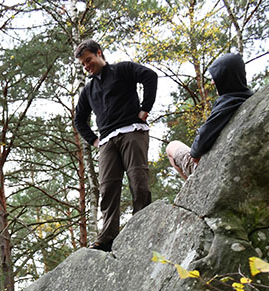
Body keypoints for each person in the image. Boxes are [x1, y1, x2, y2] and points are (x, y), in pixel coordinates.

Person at [74, 39, 158, 252]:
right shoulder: (89, 90)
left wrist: (145, 108)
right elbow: (79, 119)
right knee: (108, 188)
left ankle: (143, 226)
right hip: (107, 142)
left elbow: (150, 76)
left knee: (138, 180)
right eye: (83, 64)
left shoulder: (123, 69)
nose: (87, 66)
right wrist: (93, 139)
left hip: (132, 131)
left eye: (89, 60)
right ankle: (107, 237)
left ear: (99, 53)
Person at [166, 53, 253, 180]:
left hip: (213, 171)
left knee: (172, 146)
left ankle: (192, 188)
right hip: (236, 165)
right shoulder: (250, 98)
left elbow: (196, 152)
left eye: (216, 77)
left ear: (224, 78)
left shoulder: (227, 104)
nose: (212, 82)